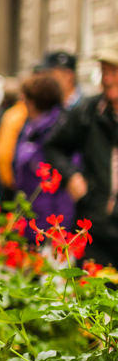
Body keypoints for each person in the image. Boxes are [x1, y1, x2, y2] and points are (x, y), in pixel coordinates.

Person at [45, 37, 118, 266]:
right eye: (103, 72)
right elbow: (53, 146)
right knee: (93, 297)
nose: (107, 80)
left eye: (114, 72)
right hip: (95, 226)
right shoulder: (88, 112)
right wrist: (72, 176)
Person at [13, 74, 73, 235]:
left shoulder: (60, 134)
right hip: (34, 222)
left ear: (32, 103)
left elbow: (65, 191)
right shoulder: (33, 129)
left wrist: (59, 232)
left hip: (47, 227)